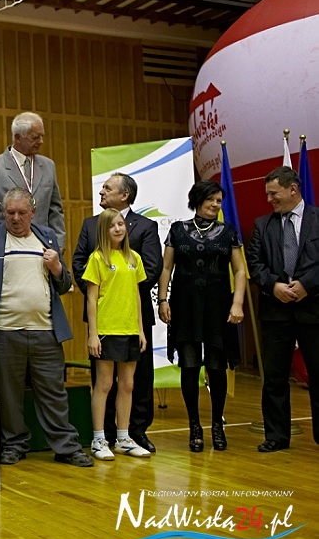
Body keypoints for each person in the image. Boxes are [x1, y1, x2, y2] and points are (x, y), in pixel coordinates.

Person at [0, 184, 93, 468]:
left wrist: (57, 268)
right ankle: (14, 445)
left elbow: (64, 284)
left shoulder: (47, 236)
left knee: (54, 394)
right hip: (4, 332)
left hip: (46, 332)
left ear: (33, 213)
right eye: (10, 212)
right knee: (8, 395)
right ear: (3, 212)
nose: (15, 218)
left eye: (21, 213)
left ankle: (67, 446)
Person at [71, 173, 162, 452]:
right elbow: (79, 263)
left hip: (133, 317)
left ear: (125, 195)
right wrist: (102, 290)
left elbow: (152, 268)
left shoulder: (145, 227)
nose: (101, 191)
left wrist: (122, 288)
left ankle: (133, 432)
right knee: (104, 381)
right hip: (103, 318)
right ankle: (103, 435)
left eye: (108, 188)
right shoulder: (91, 225)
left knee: (135, 381)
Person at [157, 180, 246, 452]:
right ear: (197, 200)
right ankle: (194, 426)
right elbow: (166, 268)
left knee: (217, 366)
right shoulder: (177, 230)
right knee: (190, 365)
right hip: (184, 305)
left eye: (219, 201)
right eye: (211, 200)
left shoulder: (228, 231)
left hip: (219, 305)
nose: (216, 205)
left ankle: (217, 424)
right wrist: (162, 300)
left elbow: (240, 270)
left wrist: (238, 303)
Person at [246, 166, 319, 452]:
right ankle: (276, 436)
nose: (269, 200)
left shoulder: (317, 219)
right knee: (274, 378)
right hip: (276, 312)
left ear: (293, 189)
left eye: (273, 193)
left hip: (313, 309)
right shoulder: (263, 224)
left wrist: (307, 285)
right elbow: (254, 263)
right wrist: (274, 285)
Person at [82, 209, 150, 461]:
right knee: (104, 384)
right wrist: (93, 334)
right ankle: (99, 439)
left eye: (121, 224)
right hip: (107, 330)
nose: (118, 229)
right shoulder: (97, 258)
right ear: (104, 230)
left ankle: (123, 437)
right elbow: (91, 299)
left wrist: (140, 330)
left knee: (128, 384)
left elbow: (137, 297)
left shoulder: (134, 258)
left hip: (130, 329)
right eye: (112, 226)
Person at [0, 112, 66, 249]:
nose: (41, 141)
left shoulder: (48, 165)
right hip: (6, 245)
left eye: (42, 136)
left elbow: (55, 208)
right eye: (35, 137)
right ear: (18, 138)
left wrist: (59, 243)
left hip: (43, 245)